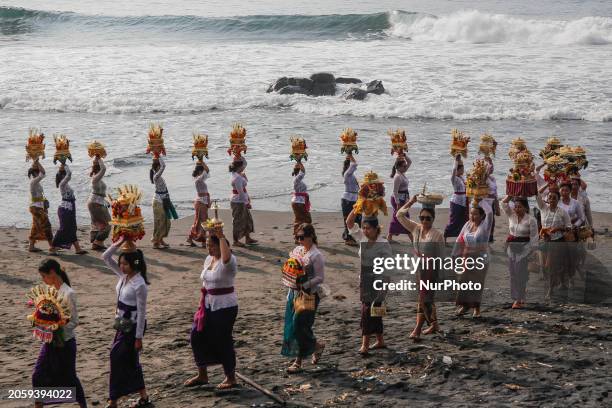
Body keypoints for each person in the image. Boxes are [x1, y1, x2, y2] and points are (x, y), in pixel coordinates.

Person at [185, 226, 238, 389]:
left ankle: (230, 377)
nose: (209, 248)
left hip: (225, 306)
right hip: (207, 304)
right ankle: (202, 374)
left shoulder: (228, 261)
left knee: (223, 340)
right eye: (207, 245)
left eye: (212, 245)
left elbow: (226, 257)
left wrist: (221, 236)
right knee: (197, 335)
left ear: (221, 245)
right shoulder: (208, 260)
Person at [102, 238, 151, 408]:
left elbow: (142, 312)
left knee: (116, 357)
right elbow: (105, 257)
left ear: (134, 264)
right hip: (122, 323)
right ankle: (144, 397)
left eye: (125, 264)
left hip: (133, 326)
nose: (121, 267)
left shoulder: (140, 284)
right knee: (130, 361)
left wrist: (138, 338)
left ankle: (113, 400)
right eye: (121, 263)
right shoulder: (123, 277)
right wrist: (119, 241)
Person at [33, 259, 87, 408]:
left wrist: (57, 326)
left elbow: (74, 321)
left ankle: (83, 405)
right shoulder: (50, 290)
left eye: (44, 276)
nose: (43, 280)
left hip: (65, 342)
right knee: (38, 375)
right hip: (49, 341)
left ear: (52, 273)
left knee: (70, 378)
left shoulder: (68, 293)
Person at [397, 196, 444, 339]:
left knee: (423, 299)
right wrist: (411, 202)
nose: (424, 221)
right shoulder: (415, 228)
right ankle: (434, 325)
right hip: (418, 268)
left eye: (428, 218)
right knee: (425, 298)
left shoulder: (437, 235)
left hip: (431, 270)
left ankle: (417, 329)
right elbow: (399, 215)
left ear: (433, 219)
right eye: (422, 217)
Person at [346, 209, 392, 354]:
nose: (365, 231)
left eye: (368, 228)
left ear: (376, 228)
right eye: (364, 228)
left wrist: (383, 286)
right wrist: (358, 207)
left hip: (379, 280)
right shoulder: (362, 238)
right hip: (365, 278)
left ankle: (365, 345)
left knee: (367, 311)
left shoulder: (383, 243)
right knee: (374, 311)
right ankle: (380, 341)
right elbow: (349, 223)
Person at [281, 223, 325, 373]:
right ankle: (316, 346)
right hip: (293, 292)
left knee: (300, 325)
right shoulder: (298, 250)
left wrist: (305, 284)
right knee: (293, 325)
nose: (299, 241)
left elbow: (320, 277)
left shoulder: (316, 255)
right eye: (297, 237)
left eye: (302, 237)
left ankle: (298, 361)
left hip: (308, 294)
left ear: (311, 236)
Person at [453, 200, 494, 318]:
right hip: (467, 257)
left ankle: (477, 308)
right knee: (464, 282)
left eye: (475, 214)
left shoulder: (486, 225)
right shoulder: (467, 224)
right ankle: (465, 305)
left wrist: (480, 200)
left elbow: (490, 213)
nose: (472, 216)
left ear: (482, 215)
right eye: (471, 213)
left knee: (477, 283)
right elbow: (459, 239)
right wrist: (455, 254)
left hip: (481, 258)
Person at [501, 196, 538, 309]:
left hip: (524, 249)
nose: (517, 209)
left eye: (520, 207)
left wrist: (532, 251)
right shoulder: (511, 216)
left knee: (520, 274)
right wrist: (511, 194)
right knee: (513, 273)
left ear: (525, 208)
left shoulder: (531, 220)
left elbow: (534, 237)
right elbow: (503, 203)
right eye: (516, 206)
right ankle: (517, 297)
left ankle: (518, 299)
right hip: (512, 248)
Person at [536, 185, 572, 301]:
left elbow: (569, 227)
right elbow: (536, 193)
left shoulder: (563, 212)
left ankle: (550, 290)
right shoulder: (543, 208)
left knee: (551, 266)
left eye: (554, 198)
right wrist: (548, 183)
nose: (551, 200)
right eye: (550, 197)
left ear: (558, 200)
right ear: (547, 198)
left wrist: (559, 229)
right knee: (544, 266)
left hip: (557, 242)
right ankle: (558, 281)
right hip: (544, 240)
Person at [52, 164, 87, 255]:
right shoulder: (62, 184)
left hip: (69, 208)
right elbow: (69, 174)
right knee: (64, 229)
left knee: (72, 228)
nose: (65, 176)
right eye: (64, 174)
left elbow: (68, 175)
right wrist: (65, 164)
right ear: (62, 176)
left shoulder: (65, 184)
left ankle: (78, 249)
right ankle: (53, 247)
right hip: (66, 208)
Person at [558, 182, 585, 288]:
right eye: (562, 190)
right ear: (559, 191)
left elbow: (581, 218)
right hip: (559, 232)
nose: (564, 192)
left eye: (566, 190)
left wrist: (575, 225)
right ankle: (561, 281)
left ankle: (571, 278)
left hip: (571, 233)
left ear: (570, 191)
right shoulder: (556, 201)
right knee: (560, 258)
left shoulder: (575, 203)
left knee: (571, 257)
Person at [28, 160, 56, 254]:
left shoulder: (36, 183)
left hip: (37, 207)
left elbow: (41, 195)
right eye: (38, 171)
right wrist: (37, 162)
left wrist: (45, 205)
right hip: (36, 208)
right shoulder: (34, 182)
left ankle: (31, 246)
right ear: (35, 172)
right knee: (46, 225)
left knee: (35, 227)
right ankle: (52, 247)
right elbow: (43, 173)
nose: (39, 172)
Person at [151, 157, 178, 249]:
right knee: (160, 222)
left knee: (167, 221)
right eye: (159, 167)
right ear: (158, 167)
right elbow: (164, 166)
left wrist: (155, 155)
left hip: (165, 200)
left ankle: (160, 239)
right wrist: (159, 156)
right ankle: (156, 241)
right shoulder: (156, 176)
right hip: (158, 201)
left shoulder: (159, 177)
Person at [229, 158, 257, 247]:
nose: (244, 168)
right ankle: (235, 240)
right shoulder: (236, 177)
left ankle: (247, 238)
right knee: (238, 220)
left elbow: (245, 163)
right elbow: (240, 192)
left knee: (247, 219)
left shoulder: (237, 174)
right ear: (239, 167)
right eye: (242, 166)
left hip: (242, 199)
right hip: (238, 201)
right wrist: (246, 202)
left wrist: (238, 153)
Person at [88, 156, 111, 251]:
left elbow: (100, 193)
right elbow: (104, 168)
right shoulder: (95, 178)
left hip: (98, 201)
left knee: (97, 223)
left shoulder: (98, 179)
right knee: (108, 223)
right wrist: (99, 158)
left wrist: (106, 201)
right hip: (95, 203)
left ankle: (97, 242)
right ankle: (97, 241)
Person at [387, 156, 412, 242]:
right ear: (398, 167)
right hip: (397, 200)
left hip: (403, 199)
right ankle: (412, 239)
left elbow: (410, 162)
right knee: (401, 217)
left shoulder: (402, 173)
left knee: (402, 217)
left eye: (405, 166)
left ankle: (390, 236)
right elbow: (395, 191)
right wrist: (398, 203)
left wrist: (404, 155)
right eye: (404, 166)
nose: (406, 167)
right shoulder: (397, 176)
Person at [444, 155, 468, 244]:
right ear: (458, 169)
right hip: (456, 201)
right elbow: (453, 170)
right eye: (462, 169)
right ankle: (446, 235)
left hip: (464, 201)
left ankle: (461, 237)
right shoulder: (454, 178)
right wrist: (456, 161)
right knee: (454, 220)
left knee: (463, 220)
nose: (463, 170)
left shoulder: (462, 178)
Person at [186, 161, 210, 247]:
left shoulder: (198, 179)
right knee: (202, 221)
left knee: (201, 221)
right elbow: (207, 170)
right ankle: (200, 239)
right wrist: (202, 161)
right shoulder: (199, 179)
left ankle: (198, 239)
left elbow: (206, 171)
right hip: (201, 202)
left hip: (201, 201)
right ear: (200, 171)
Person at [341, 155, 361, 246]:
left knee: (356, 219)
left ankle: (352, 237)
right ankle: (348, 238)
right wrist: (350, 154)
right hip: (349, 199)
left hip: (353, 198)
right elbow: (355, 164)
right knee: (350, 219)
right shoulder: (347, 174)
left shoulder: (351, 175)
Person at [291, 162, 312, 243]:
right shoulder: (297, 179)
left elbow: (302, 172)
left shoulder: (297, 180)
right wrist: (299, 161)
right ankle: (299, 237)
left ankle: (299, 236)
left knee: (300, 219)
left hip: (299, 201)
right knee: (305, 219)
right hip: (298, 202)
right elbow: (303, 172)